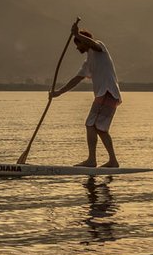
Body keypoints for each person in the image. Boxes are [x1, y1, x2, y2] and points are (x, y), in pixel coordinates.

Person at [50, 29, 122, 167]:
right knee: (100, 129)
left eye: (78, 44)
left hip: (107, 93)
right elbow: (76, 79)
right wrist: (59, 92)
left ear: (84, 41)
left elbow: (92, 44)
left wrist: (77, 35)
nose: (77, 48)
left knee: (90, 124)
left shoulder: (99, 48)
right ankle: (113, 161)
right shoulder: (88, 62)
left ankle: (91, 160)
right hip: (109, 96)